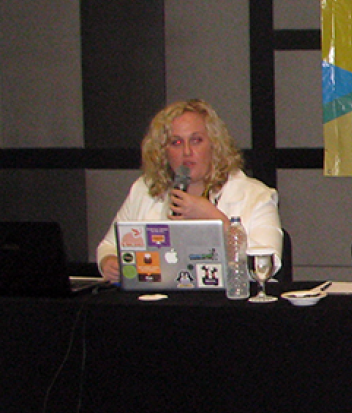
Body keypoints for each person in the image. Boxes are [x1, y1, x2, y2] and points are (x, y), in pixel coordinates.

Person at [97, 99, 282, 282]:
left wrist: (216, 220)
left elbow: (266, 266)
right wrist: (108, 262)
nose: (187, 152)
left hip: (231, 300)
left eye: (196, 140)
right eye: (176, 142)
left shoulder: (256, 195)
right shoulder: (145, 190)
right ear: (163, 152)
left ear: (214, 145)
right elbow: (109, 246)